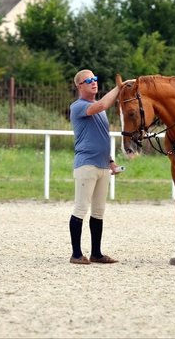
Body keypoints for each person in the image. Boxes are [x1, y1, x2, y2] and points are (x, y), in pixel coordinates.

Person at [68, 69, 122, 265]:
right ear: (79, 86)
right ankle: (76, 253)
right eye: (88, 80)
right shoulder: (78, 107)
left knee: (98, 211)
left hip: (102, 166)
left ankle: (96, 253)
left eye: (95, 79)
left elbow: (100, 138)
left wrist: (110, 161)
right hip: (86, 165)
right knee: (81, 208)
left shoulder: (100, 110)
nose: (93, 82)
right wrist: (119, 87)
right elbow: (102, 104)